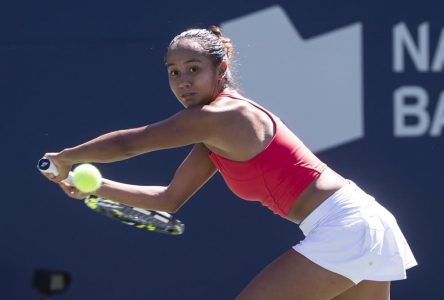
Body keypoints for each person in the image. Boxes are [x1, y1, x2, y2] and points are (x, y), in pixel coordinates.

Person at [41, 26, 417, 299]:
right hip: (363, 223)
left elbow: (131, 144)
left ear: (220, 72)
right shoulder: (213, 133)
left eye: (194, 69)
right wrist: (93, 187)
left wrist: (66, 156)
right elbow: (168, 198)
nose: (183, 81)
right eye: (174, 72)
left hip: (347, 225)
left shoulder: (219, 116)